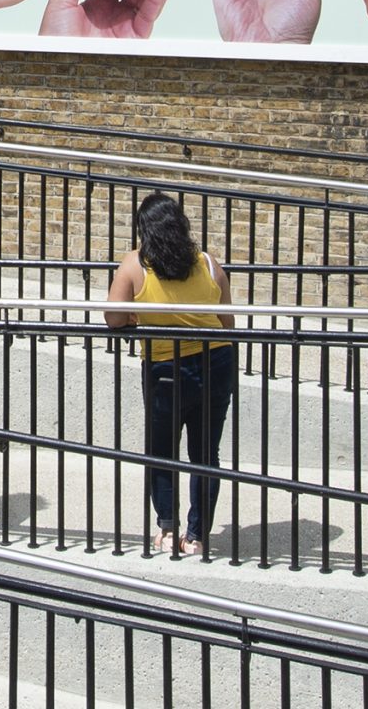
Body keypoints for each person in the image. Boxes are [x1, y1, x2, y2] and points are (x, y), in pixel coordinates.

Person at [105, 193, 235, 559]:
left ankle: (167, 528)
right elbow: (228, 323)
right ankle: (196, 537)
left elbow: (113, 318)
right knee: (205, 454)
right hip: (216, 363)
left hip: (165, 367)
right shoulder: (208, 263)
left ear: (144, 230)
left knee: (162, 451)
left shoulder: (135, 265)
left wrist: (138, 314)